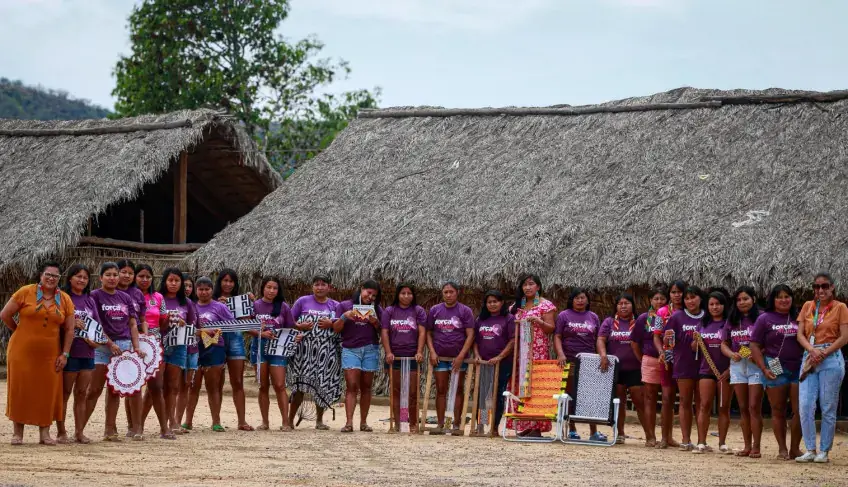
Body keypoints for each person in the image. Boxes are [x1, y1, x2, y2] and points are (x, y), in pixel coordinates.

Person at [1, 261, 75, 446]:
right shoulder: (25, 292)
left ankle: (45, 433)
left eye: (55, 276)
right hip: (21, 351)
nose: (51, 278)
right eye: (48, 274)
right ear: (40, 275)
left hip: (50, 354)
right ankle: (18, 433)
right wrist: (18, 330)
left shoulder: (65, 299)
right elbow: (5, 315)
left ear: (59, 278)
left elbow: (69, 329)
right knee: (21, 389)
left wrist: (65, 354)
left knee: (47, 391)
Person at [85, 262, 146, 441]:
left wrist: (136, 347)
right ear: (100, 277)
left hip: (124, 346)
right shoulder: (94, 296)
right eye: (108, 275)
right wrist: (109, 343)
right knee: (94, 389)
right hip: (101, 347)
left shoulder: (125, 298)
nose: (112, 278)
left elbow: (133, 324)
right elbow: (94, 324)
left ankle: (110, 429)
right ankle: (79, 430)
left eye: (115, 275)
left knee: (115, 389)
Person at [794, 272, 848, 463]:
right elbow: (800, 334)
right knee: (805, 405)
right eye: (816, 287)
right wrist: (812, 350)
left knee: (827, 406)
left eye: (824, 286)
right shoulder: (808, 306)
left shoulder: (840, 307)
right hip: (810, 355)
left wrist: (823, 353)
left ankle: (824, 451)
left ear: (832, 287)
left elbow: (844, 337)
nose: (820, 290)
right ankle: (810, 448)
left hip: (830, 356)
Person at [750, 284, 803, 461]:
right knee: (778, 408)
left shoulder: (799, 316)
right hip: (774, 365)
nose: (783, 300)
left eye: (787, 296)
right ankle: (782, 449)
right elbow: (754, 345)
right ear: (773, 299)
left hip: (799, 367)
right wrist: (763, 368)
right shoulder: (764, 318)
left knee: (800, 410)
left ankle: (795, 448)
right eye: (779, 297)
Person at [287, 275, 341, 430]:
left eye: (323, 284)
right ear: (312, 286)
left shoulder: (335, 305)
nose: (320, 287)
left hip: (326, 351)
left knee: (322, 384)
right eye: (317, 284)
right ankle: (289, 420)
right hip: (303, 351)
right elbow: (289, 322)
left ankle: (319, 421)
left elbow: (341, 326)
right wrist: (300, 326)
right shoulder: (302, 301)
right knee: (299, 386)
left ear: (329, 287)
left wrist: (332, 323)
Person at [55, 264, 99, 444]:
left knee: (81, 393)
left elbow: (97, 326)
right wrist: (71, 324)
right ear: (70, 278)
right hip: (69, 352)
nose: (81, 280)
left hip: (87, 353)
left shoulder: (90, 300)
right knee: (64, 393)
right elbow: (55, 321)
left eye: (85, 277)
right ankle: (61, 432)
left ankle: (79, 432)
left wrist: (95, 341)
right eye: (78, 276)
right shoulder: (62, 298)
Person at [425, 281, 475, 435]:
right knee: (441, 390)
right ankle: (441, 424)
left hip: (458, 358)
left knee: (458, 390)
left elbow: (470, 335)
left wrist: (461, 356)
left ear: (457, 292)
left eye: (451, 292)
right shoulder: (435, 310)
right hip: (440, 357)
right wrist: (432, 352)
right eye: (445, 292)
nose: (448, 295)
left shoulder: (465, 311)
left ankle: (456, 425)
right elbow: (428, 333)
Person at [334, 280, 383, 433]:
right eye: (369, 293)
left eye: (374, 296)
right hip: (350, 349)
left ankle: (364, 422)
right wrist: (344, 317)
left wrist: (375, 322)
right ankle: (349, 422)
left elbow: (383, 331)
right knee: (352, 385)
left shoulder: (377, 308)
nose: (371, 297)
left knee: (367, 386)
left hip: (370, 349)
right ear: (361, 289)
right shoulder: (344, 306)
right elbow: (335, 329)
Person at [554, 287, 603, 441]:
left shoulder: (593, 317)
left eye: (583, 297)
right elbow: (557, 336)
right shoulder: (564, 315)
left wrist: (599, 356)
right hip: (569, 361)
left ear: (587, 300)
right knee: (570, 395)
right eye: (577, 298)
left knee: (590, 396)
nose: (580, 301)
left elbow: (598, 339)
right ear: (572, 300)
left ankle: (593, 431)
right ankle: (572, 430)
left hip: (589, 361)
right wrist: (560, 354)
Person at [598, 293, 646, 445]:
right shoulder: (609, 322)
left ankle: (650, 435)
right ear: (616, 306)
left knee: (640, 402)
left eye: (627, 303)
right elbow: (601, 339)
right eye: (620, 303)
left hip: (636, 369)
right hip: (615, 369)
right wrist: (603, 355)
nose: (623, 306)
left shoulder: (639, 322)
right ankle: (620, 433)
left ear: (633, 305)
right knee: (619, 403)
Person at [250, 277, 297, 431]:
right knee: (263, 386)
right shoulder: (255, 306)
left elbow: (291, 327)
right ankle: (265, 422)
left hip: (278, 349)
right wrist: (261, 333)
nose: (271, 291)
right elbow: (246, 327)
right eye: (268, 287)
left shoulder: (283, 306)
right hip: (259, 348)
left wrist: (296, 336)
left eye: (275, 288)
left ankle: (285, 422)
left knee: (280, 385)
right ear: (263, 288)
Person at [721, 286, 763, 458]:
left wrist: (755, 354)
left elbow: (770, 342)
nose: (742, 302)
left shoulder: (762, 317)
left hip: (756, 365)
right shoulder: (732, 319)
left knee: (754, 407)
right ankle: (746, 446)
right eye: (738, 300)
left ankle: (756, 447)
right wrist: (731, 354)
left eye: (745, 299)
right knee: (743, 407)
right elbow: (724, 343)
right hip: (737, 365)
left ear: (753, 299)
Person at [381, 283, 427, 433]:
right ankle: (399, 423)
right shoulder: (389, 311)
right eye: (403, 293)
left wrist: (419, 351)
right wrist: (388, 352)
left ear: (413, 295)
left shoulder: (418, 311)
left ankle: (412, 424)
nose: (406, 296)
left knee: (412, 392)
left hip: (412, 357)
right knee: (396, 392)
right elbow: (385, 332)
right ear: (397, 295)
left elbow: (422, 332)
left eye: (409, 293)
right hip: (394, 357)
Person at [664, 285, 704, 451]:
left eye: (693, 297)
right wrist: (667, 340)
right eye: (687, 298)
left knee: (702, 403)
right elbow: (668, 342)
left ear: (700, 298)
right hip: (683, 364)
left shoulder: (707, 315)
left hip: (705, 366)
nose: (690, 301)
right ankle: (686, 440)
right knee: (685, 401)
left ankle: (702, 441)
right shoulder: (677, 317)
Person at [213, 269, 253, 431]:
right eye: (225, 280)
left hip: (236, 339)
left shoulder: (240, 300)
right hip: (217, 339)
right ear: (219, 282)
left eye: (231, 281)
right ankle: (216, 421)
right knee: (217, 382)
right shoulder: (211, 299)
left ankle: (242, 421)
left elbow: (247, 321)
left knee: (238, 381)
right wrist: (218, 305)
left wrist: (248, 303)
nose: (228, 284)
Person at [692, 291, 732, 454]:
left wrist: (731, 369)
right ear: (707, 306)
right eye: (711, 304)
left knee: (724, 407)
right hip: (706, 370)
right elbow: (694, 348)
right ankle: (701, 442)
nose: (715, 307)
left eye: (718, 304)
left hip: (727, 371)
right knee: (704, 405)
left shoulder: (731, 323)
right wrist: (695, 342)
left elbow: (741, 346)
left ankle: (722, 443)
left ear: (724, 305)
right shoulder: (702, 324)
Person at [134, 264, 170, 439]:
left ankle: (164, 428)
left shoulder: (158, 297)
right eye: (141, 276)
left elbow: (163, 323)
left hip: (154, 345)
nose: (145, 280)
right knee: (134, 387)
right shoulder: (129, 296)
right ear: (135, 277)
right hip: (134, 342)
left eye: (148, 277)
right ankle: (135, 427)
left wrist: (170, 319)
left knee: (156, 386)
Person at [193, 277, 233, 432]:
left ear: (212, 290)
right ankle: (187, 421)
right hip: (195, 348)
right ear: (196, 290)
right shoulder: (191, 306)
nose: (204, 292)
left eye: (207, 289)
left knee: (213, 387)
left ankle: (216, 421)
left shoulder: (220, 307)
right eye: (200, 289)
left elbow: (231, 325)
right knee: (193, 386)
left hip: (215, 348)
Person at [630, 284, 668, 447]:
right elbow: (634, 342)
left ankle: (667, 437)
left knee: (667, 399)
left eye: (662, 298)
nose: (659, 301)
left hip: (669, 362)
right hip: (650, 360)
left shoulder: (671, 316)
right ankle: (650, 436)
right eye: (656, 298)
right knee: (650, 398)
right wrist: (643, 359)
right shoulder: (644, 318)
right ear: (650, 300)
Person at [472, 290, 515, 435]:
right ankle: (481, 424)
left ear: (501, 303)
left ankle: (494, 427)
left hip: (502, 364)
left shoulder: (508, 318)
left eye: (495, 301)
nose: (492, 304)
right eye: (489, 302)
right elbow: (475, 340)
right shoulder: (481, 319)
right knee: (482, 395)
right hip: (484, 363)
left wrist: (500, 357)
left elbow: (513, 340)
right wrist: (477, 355)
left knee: (497, 396)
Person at [160, 268, 196, 437]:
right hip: (160, 344)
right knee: (157, 386)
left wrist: (182, 324)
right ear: (164, 281)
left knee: (173, 386)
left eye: (177, 280)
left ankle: (172, 421)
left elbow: (192, 325)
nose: (173, 283)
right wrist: (167, 320)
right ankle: (142, 423)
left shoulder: (186, 302)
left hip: (179, 346)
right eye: (170, 280)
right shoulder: (158, 299)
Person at [652, 279, 686, 449]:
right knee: (667, 398)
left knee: (686, 399)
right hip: (668, 358)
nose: (677, 295)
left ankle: (689, 440)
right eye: (673, 292)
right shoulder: (662, 312)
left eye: (679, 292)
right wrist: (661, 352)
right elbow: (656, 336)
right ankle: (666, 437)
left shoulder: (690, 311)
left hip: (687, 359)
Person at [116, 259, 147, 436]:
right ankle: (111, 426)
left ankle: (137, 426)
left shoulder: (137, 294)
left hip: (135, 342)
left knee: (135, 385)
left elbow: (142, 320)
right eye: (123, 272)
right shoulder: (106, 293)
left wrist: (145, 338)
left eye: (130, 273)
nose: (127, 275)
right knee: (113, 386)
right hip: (113, 343)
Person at [176, 273, 200, 433]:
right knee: (173, 386)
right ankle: (169, 421)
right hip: (176, 348)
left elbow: (195, 327)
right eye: (184, 285)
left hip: (192, 349)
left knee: (186, 385)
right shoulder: (169, 302)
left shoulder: (192, 304)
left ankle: (177, 421)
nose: (187, 288)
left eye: (190, 286)